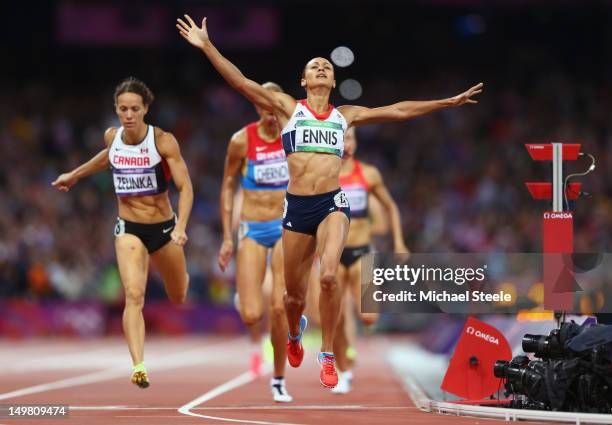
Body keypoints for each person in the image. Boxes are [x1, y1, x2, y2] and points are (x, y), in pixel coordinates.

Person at [177, 15, 482, 388]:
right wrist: (208, 45)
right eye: (313, 66)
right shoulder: (289, 108)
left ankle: (326, 354)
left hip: (331, 204)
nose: (321, 67)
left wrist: (446, 103)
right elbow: (241, 82)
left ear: (333, 81)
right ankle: (293, 334)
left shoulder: (344, 116)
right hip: (296, 208)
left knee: (328, 276)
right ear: (304, 81)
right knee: (293, 298)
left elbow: (398, 110)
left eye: (326, 67)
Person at [52, 77, 193, 389]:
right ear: (116, 110)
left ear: (145, 109)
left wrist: (181, 226)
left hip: (164, 228)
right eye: (123, 109)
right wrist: (75, 175)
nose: (128, 114)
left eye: (134, 109)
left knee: (179, 294)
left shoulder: (163, 141)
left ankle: (177, 281)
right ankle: (138, 365)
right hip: (129, 227)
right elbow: (107, 157)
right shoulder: (112, 136)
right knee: (133, 294)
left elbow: (186, 187)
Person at [217, 82, 293, 402]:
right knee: (251, 313)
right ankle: (248, 301)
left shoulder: (293, 137)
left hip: (285, 227)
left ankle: (278, 378)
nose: (272, 113)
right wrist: (226, 237)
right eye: (265, 107)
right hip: (252, 229)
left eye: (276, 107)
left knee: (278, 308)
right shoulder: (241, 140)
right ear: (257, 108)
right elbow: (227, 187)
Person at [331, 126, 408, 394]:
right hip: (334, 255)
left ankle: (348, 360)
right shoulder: (324, 174)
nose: (345, 144)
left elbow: (390, 207)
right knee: (339, 317)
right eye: (341, 139)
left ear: (356, 143)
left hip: (363, 252)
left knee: (368, 316)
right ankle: (345, 370)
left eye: (349, 138)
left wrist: (399, 242)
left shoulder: (369, 174)